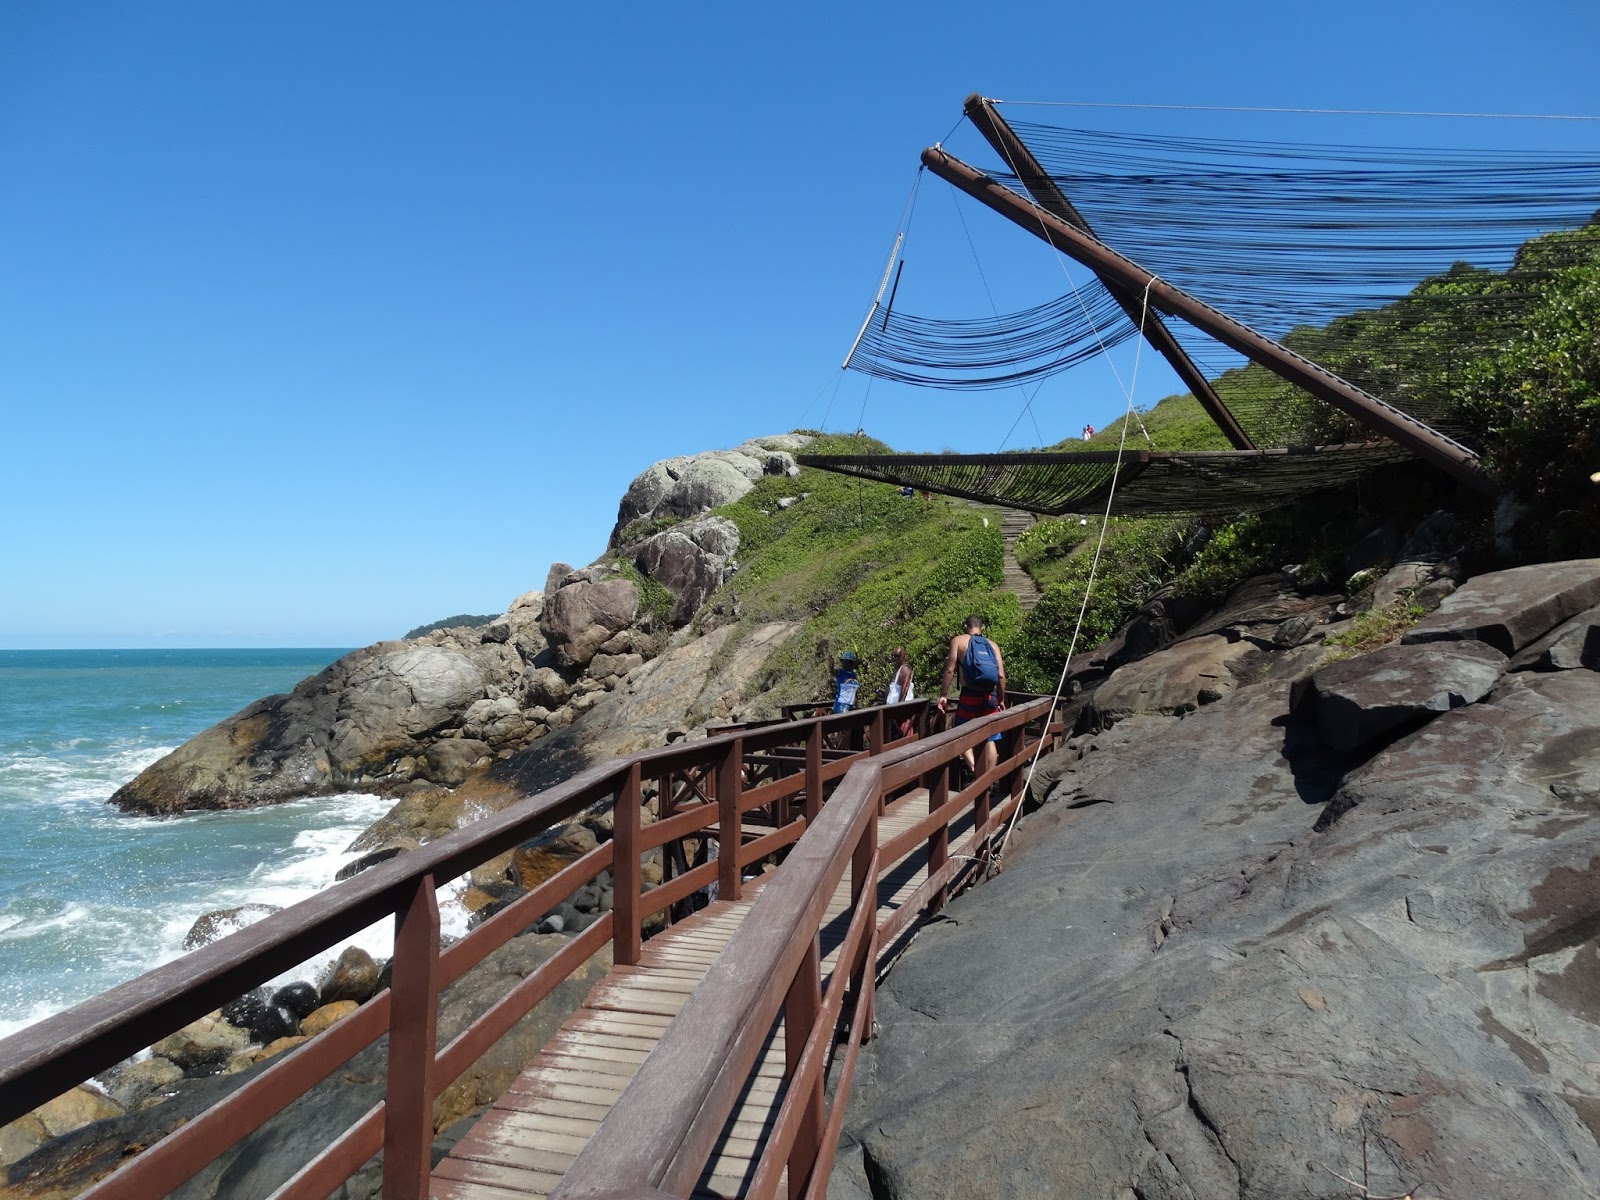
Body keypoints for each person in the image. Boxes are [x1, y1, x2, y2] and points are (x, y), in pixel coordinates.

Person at [936, 615, 1007, 781]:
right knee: (990, 737)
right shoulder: (992, 645)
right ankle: (988, 780)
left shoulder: (958, 641)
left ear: (965, 626)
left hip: (969, 695)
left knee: (960, 733)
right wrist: (1001, 699)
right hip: (990, 696)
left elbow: (949, 670)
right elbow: (1001, 676)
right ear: (981, 628)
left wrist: (943, 695)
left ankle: (975, 770)